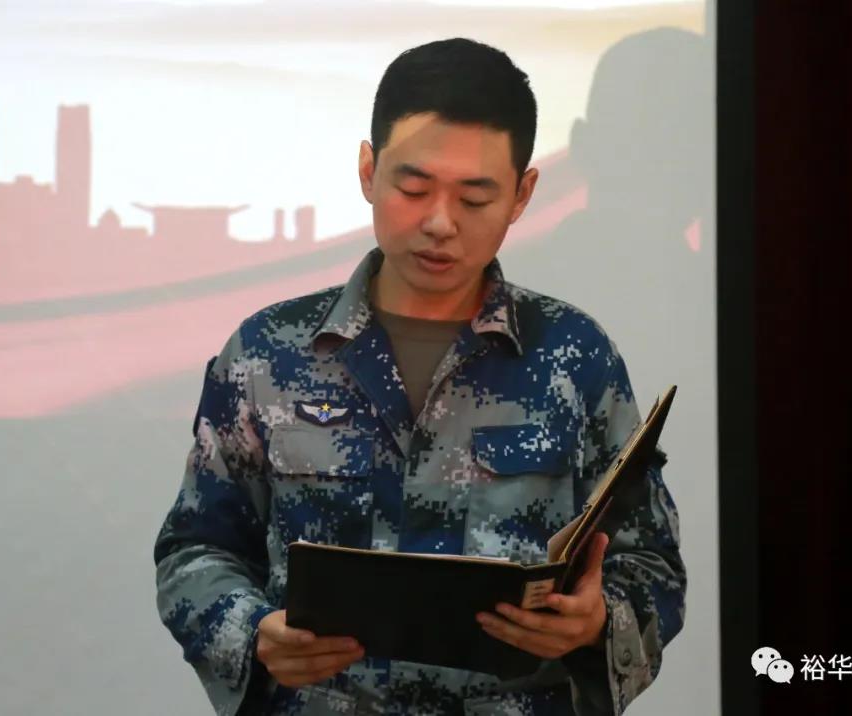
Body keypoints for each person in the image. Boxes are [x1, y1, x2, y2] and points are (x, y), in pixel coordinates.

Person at [153, 38, 686, 716]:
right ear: (368, 171)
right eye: (413, 188)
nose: (440, 223)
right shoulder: (267, 352)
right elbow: (195, 548)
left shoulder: (575, 355)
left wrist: (598, 622)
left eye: (475, 198)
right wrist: (251, 634)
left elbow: (651, 563)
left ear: (522, 194)